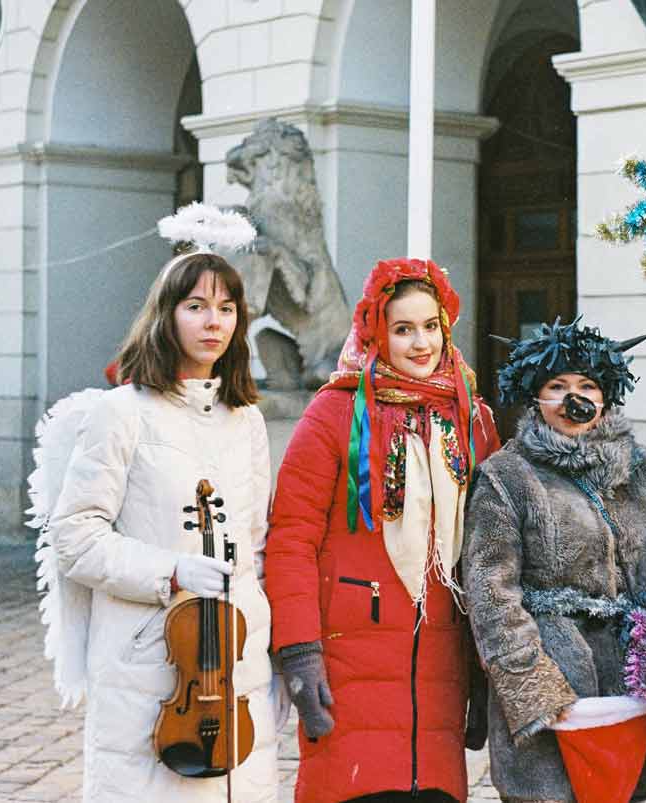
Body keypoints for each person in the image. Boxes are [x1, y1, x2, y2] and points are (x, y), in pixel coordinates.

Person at [43, 246, 280, 802]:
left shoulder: (246, 419)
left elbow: (254, 545)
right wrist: (170, 570)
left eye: (226, 309)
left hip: (236, 665)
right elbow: (74, 537)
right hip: (149, 660)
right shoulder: (121, 413)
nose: (213, 322)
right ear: (166, 314)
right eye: (196, 306)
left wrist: (262, 644)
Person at [265, 258, 501, 803]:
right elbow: (292, 539)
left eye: (430, 326)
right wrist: (299, 650)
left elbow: (487, 552)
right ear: (377, 332)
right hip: (349, 664)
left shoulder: (472, 418)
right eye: (403, 329)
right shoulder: (333, 413)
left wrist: (483, 667)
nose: (421, 343)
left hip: (441, 669)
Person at [462, 318, 646, 803]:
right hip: (552, 686)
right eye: (558, 386)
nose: (574, 398)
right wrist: (535, 690)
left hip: (627, 689)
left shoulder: (644, 476)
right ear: (536, 396)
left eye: (587, 385)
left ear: (605, 395)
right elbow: (491, 593)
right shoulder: (506, 477)